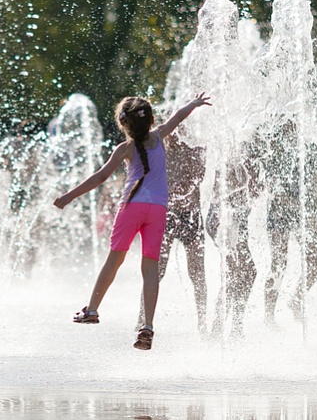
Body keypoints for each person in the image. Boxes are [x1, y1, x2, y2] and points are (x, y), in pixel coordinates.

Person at [53, 93, 211, 350]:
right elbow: (178, 117)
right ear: (150, 120)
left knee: (114, 259)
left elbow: (100, 177)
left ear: (124, 125)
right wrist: (194, 104)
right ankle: (147, 326)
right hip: (158, 210)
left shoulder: (125, 149)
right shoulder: (160, 136)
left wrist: (70, 196)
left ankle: (92, 309)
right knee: (150, 269)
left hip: (132, 208)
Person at [138, 132, 207, 337]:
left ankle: (203, 321)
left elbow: (198, 177)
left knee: (197, 272)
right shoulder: (159, 150)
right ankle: (142, 319)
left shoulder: (195, 149)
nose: (177, 135)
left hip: (191, 216)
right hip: (164, 215)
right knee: (156, 271)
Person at [262, 118, 317, 324]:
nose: (290, 125)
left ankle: (296, 299)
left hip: (303, 212)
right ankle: (269, 317)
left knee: (316, 261)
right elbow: (272, 187)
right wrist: (296, 205)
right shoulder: (273, 148)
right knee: (279, 264)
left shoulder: (310, 148)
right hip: (279, 212)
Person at [205, 138, 263, 339]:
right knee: (238, 271)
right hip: (225, 220)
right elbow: (223, 191)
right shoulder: (237, 153)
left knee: (242, 271)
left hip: (232, 221)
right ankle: (225, 327)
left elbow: (252, 192)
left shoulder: (249, 157)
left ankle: (227, 326)